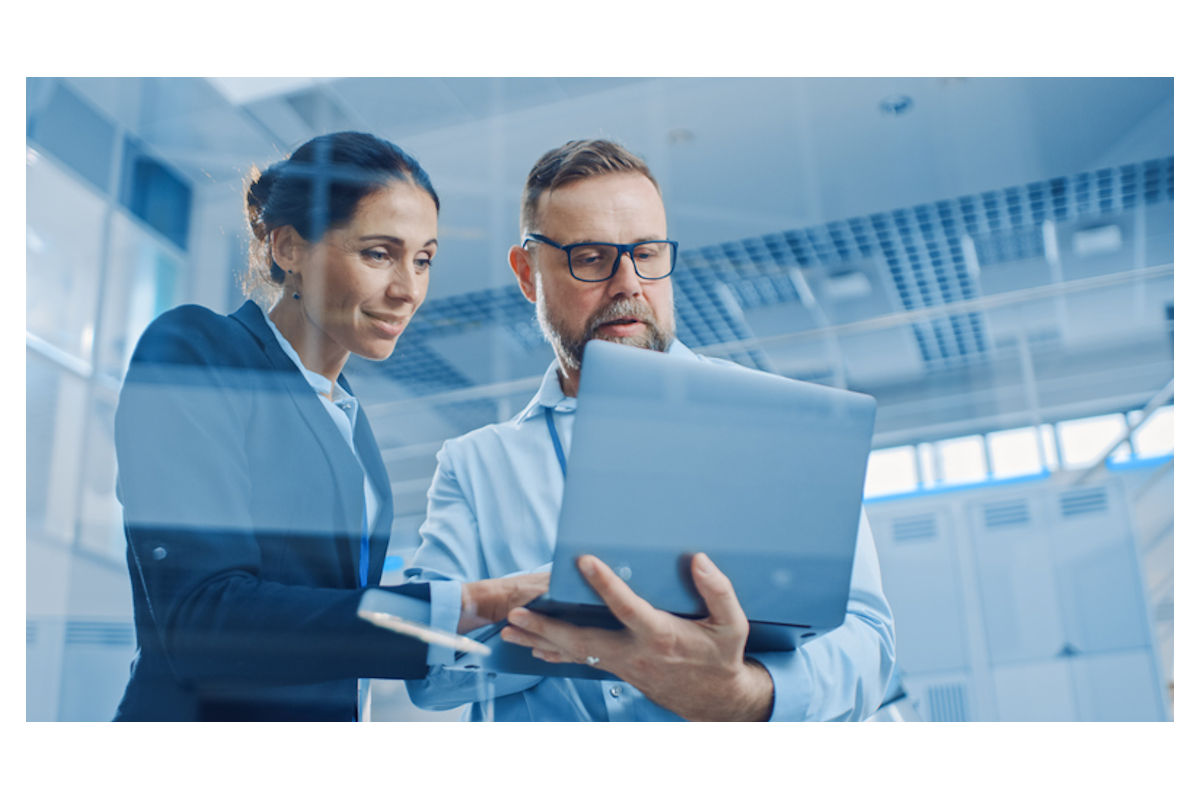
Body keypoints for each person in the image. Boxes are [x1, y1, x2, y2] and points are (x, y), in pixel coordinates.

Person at [402, 139, 896, 721]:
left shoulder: (781, 428)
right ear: (529, 274)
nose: (628, 283)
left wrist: (741, 693)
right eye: (591, 257)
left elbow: (869, 647)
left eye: (647, 253)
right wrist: (572, 623)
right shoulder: (476, 465)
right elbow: (424, 671)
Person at [112, 131, 545, 722]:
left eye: (423, 260)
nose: (408, 290)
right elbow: (204, 619)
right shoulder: (200, 350)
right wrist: (470, 602)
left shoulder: (350, 422)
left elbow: (335, 630)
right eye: (378, 254)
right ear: (289, 246)